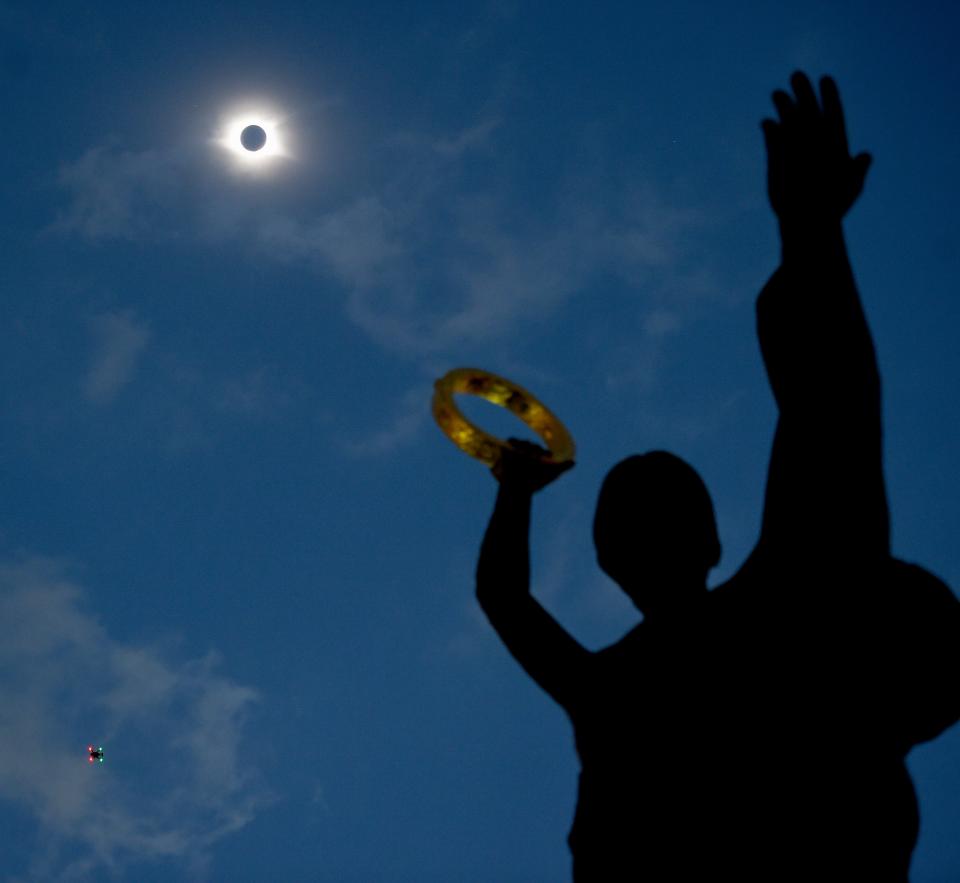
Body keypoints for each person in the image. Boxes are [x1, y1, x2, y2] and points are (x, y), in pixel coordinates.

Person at [474, 72, 960, 881]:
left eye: (640, 519)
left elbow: (829, 407)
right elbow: (830, 405)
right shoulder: (784, 597)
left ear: (607, 560)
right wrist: (810, 233)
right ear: (709, 537)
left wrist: (515, 492)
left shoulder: (619, 686)